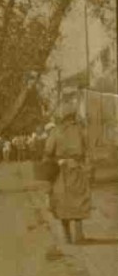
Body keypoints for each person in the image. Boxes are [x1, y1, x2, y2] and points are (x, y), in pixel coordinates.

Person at [43, 104, 92, 244]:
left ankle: (66, 235)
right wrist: (88, 169)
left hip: (61, 171)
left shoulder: (56, 131)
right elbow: (87, 151)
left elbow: (48, 151)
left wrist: (49, 163)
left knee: (62, 201)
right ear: (73, 116)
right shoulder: (81, 130)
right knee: (79, 199)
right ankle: (79, 234)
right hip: (77, 169)